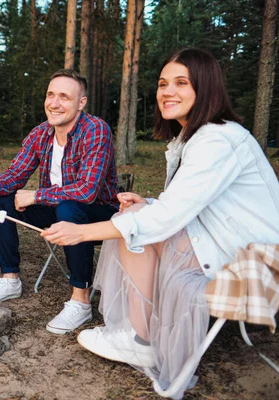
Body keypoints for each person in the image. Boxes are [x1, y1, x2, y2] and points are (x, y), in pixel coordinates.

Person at [42, 48, 279, 396]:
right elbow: (186, 202)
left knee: (132, 225)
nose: (167, 91)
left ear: (206, 88)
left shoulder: (218, 138)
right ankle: (142, 335)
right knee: (133, 216)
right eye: (163, 83)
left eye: (181, 83)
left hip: (255, 253)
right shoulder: (193, 138)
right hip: (227, 235)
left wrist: (82, 232)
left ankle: (142, 338)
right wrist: (149, 202)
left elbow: (170, 216)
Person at [0, 69, 119, 334]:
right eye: (50, 95)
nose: (54, 103)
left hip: (99, 216)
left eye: (64, 97)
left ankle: (80, 301)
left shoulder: (96, 130)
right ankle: (10, 278)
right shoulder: (41, 133)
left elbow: (86, 191)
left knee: (70, 207)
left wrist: (36, 195)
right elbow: (15, 175)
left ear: (81, 103)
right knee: (0, 200)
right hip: (56, 209)